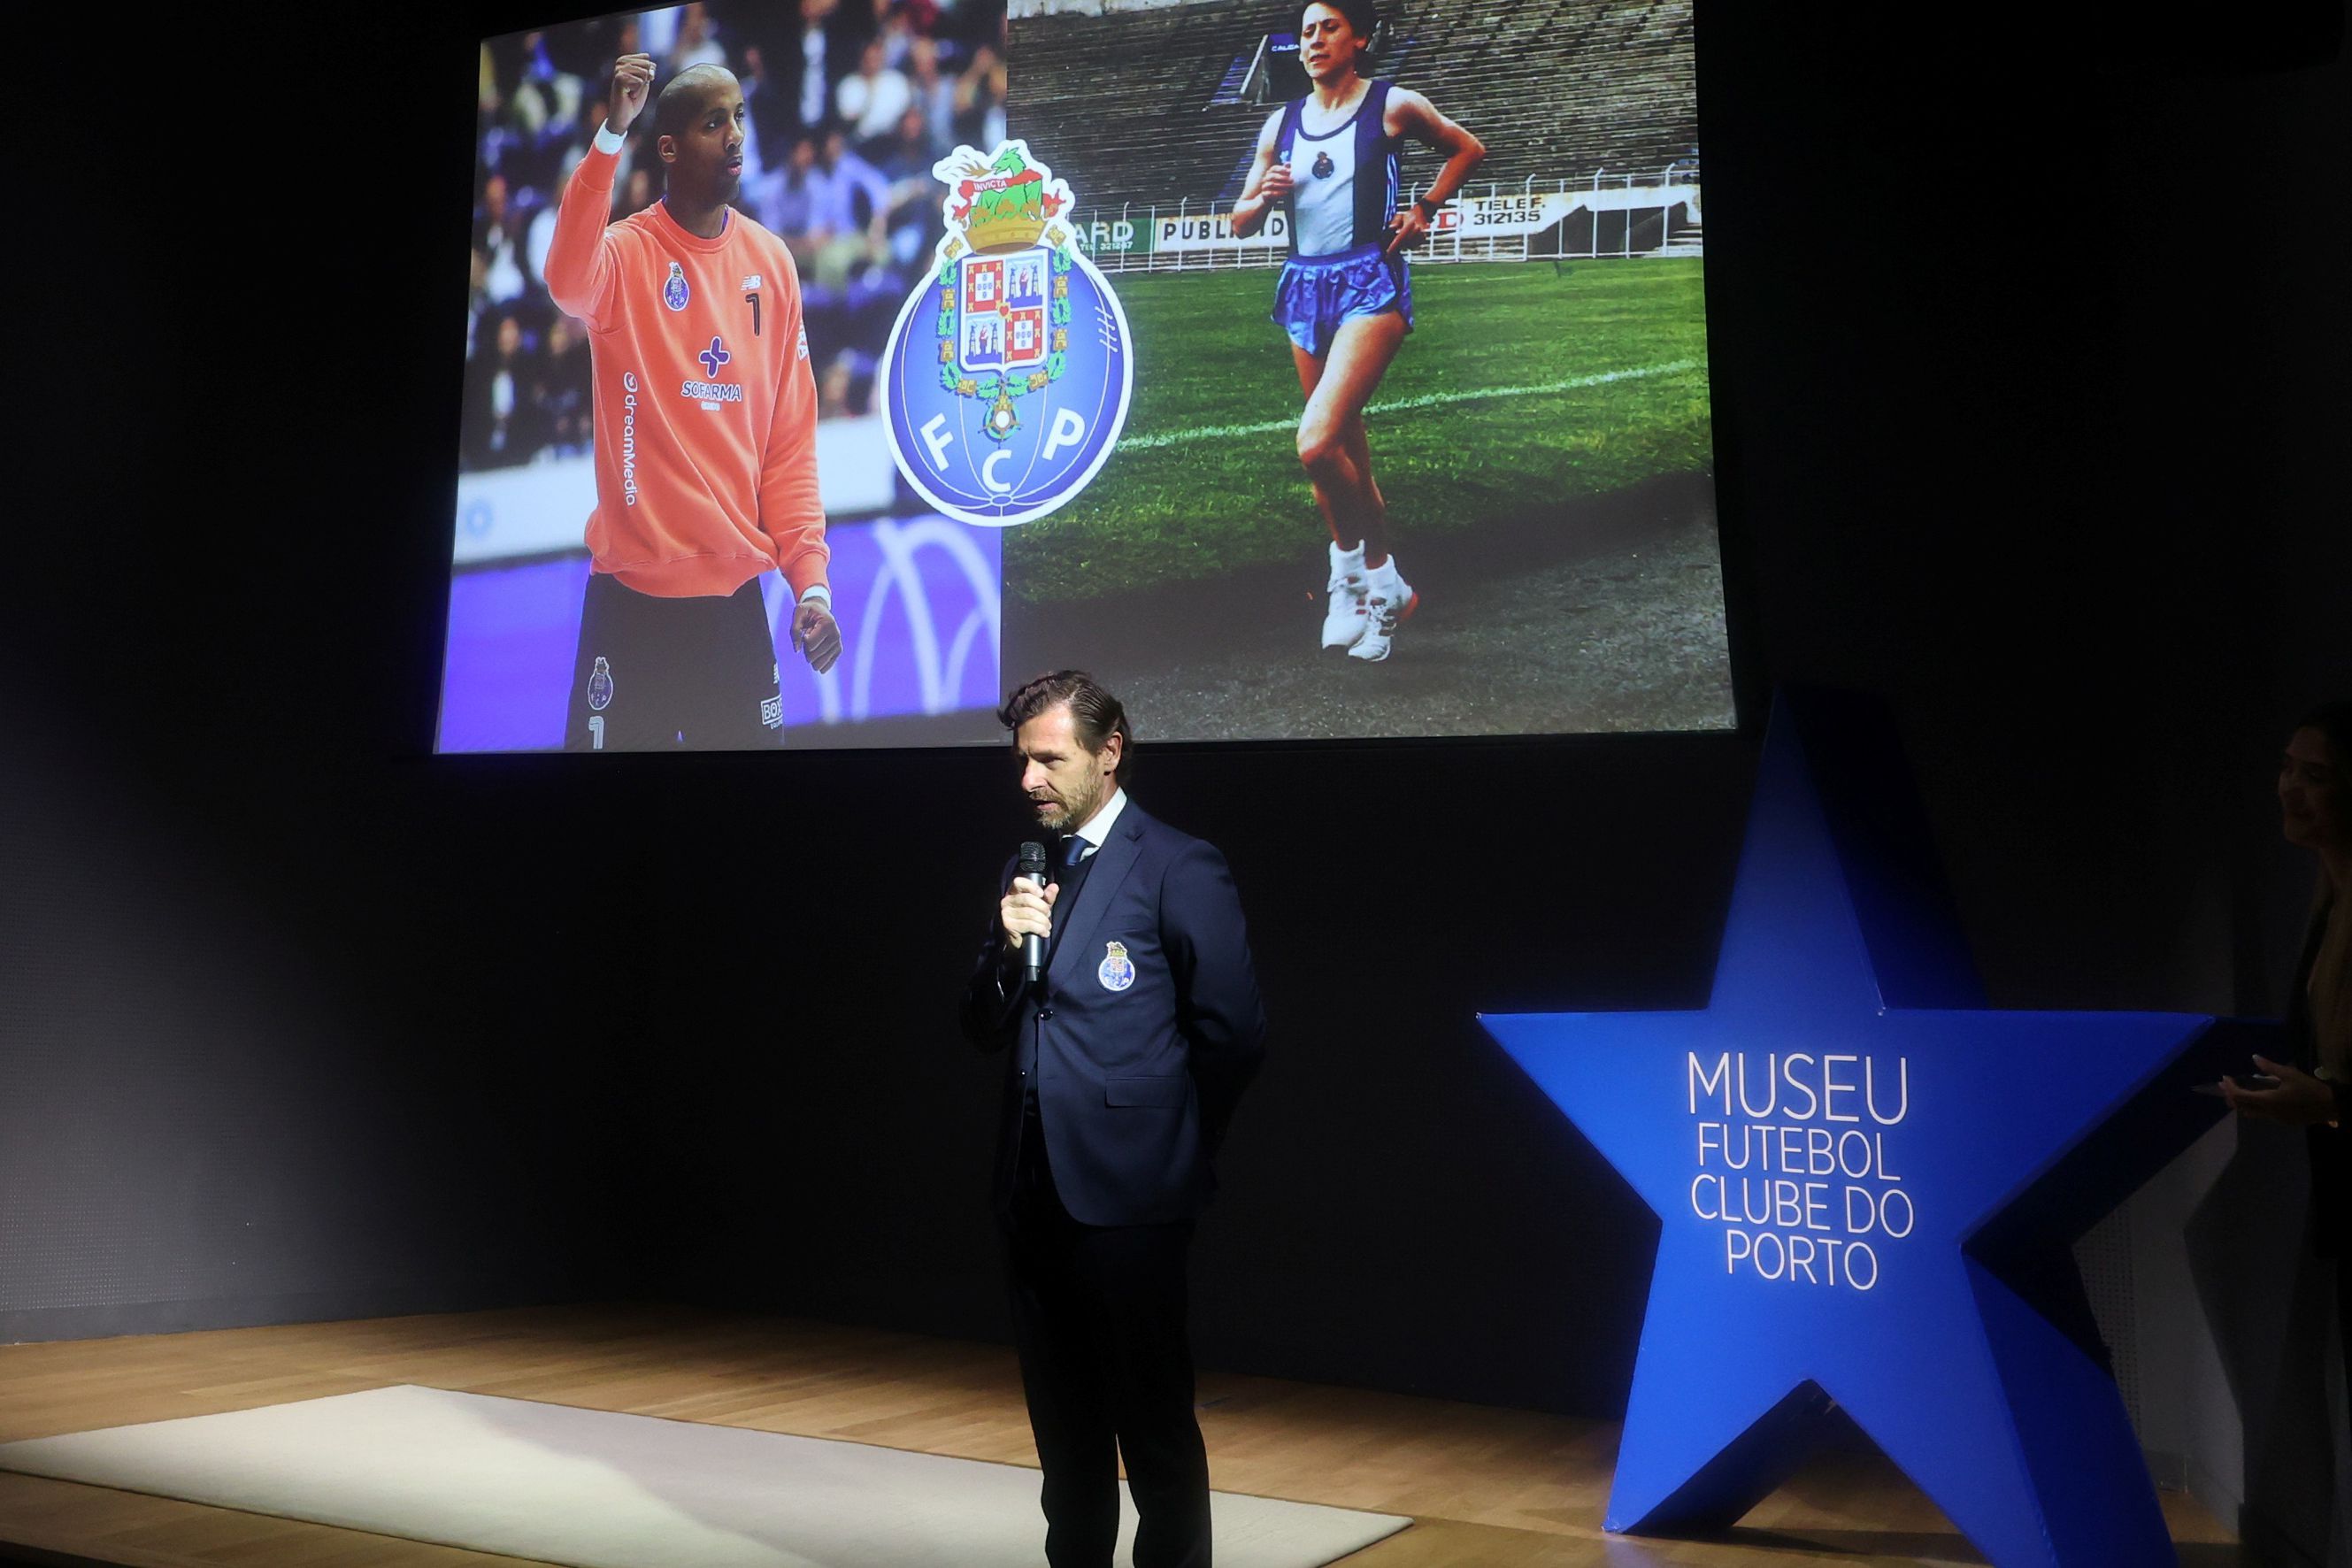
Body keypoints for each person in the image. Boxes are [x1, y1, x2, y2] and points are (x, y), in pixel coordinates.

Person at [961, 672, 1266, 1568]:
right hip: (1031, 1191)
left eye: (1049, 759)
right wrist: (1007, 948)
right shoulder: (1028, 868)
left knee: (1154, 1424)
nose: (1029, 779)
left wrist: (1173, 1142)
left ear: (1109, 752)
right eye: (1022, 760)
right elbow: (982, 1025)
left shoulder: (1177, 863)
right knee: (1065, 1433)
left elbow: (1233, 1033)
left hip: (1132, 1195)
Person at [544, 52, 842, 750]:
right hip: (628, 606)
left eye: (738, 116)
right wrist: (611, 135)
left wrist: (812, 586)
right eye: (714, 123)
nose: (735, 134)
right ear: (670, 148)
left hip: (734, 614)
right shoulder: (625, 255)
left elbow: (790, 450)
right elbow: (565, 281)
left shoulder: (772, 264)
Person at [1228, 0, 1483, 663]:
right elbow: (1239, 222)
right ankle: (1364, 588)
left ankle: (1368, 575)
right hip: (1304, 285)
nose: (1314, 41)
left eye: (1329, 28)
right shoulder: (1281, 122)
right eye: (1306, 31)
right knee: (1341, 452)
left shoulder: (1393, 105)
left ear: (1360, 38)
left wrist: (1424, 208)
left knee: (1316, 443)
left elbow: (1467, 148)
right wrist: (1264, 196)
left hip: (1371, 280)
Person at [2226, 699, 2351, 1438]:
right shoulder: (2329, 900)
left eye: (2316, 776)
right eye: (2286, 768)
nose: (2288, 789)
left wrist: (2329, 1105)